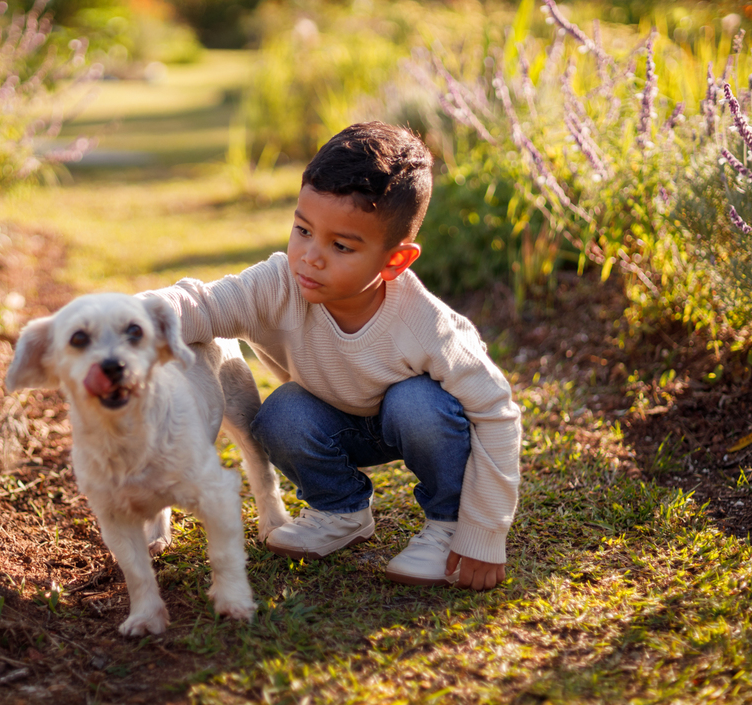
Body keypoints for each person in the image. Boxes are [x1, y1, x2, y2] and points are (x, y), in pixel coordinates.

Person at [141, 121, 521, 590]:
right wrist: (123, 319)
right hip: (337, 421)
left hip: (423, 423)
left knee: (416, 404)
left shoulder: (429, 326)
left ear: (393, 262)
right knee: (281, 412)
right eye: (303, 230)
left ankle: (447, 525)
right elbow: (200, 305)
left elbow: (498, 413)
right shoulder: (279, 284)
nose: (310, 257)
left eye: (341, 246)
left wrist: (484, 533)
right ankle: (340, 511)